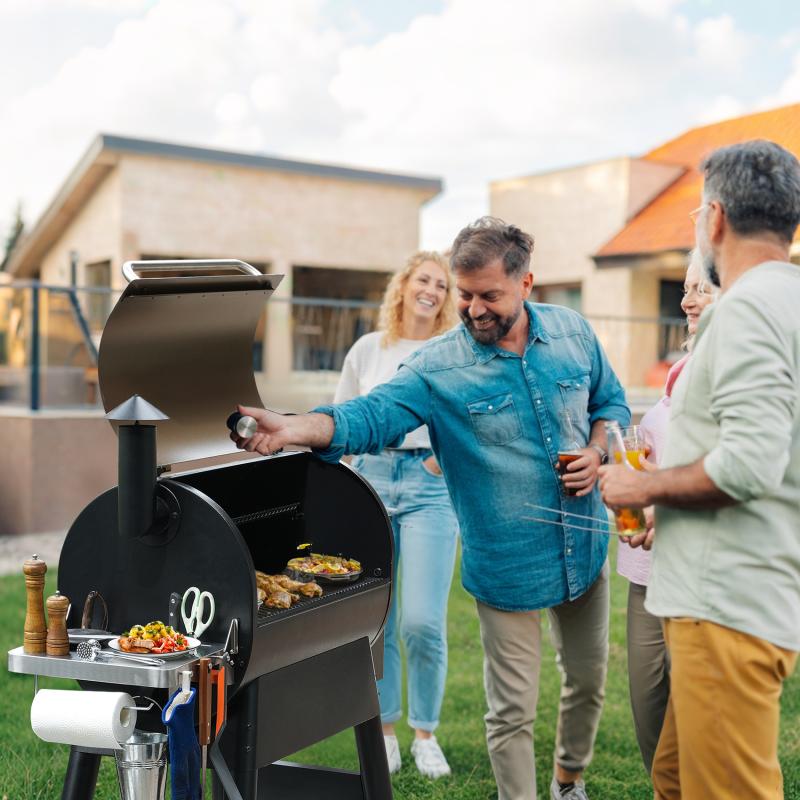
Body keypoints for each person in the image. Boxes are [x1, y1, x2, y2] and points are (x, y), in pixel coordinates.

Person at [233, 216, 630, 800]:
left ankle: (569, 781)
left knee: (588, 683)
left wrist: (597, 452)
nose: (473, 309)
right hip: (507, 564)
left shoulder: (573, 332)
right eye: (465, 294)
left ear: (526, 283)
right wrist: (296, 427)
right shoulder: (438, 367)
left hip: (584, 545)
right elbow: (370, 415)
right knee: (512, 711)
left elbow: (610, 403)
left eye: (489, 295)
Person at [599, 139, 800, 800]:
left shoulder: (746, 308)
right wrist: (670, 508)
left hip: (725, 608)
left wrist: (642, 485)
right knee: (674, 779)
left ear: (715, 219)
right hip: (734, 592)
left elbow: (748, 463)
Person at [334, 251, 459, 779]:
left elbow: (467, 418)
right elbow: (343, 419)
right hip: (373, 479)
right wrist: (347, 485)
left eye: (442, 285)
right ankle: (383, 731)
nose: (432, 290)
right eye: (424, 279)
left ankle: (425, 734)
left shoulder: (452, 350)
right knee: (377, 617)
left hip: (430, 486)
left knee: (422, 621)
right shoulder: (369, 349)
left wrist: (439, 459)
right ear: (404, 286)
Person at [616, 248, 715, 775]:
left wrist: (663, 489)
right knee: (648, 700)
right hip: (647, 566)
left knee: (696, 713)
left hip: (698, 567)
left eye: (702, 288)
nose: (687, 300)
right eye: (685, 287)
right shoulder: (681, 368)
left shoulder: (740, 368)